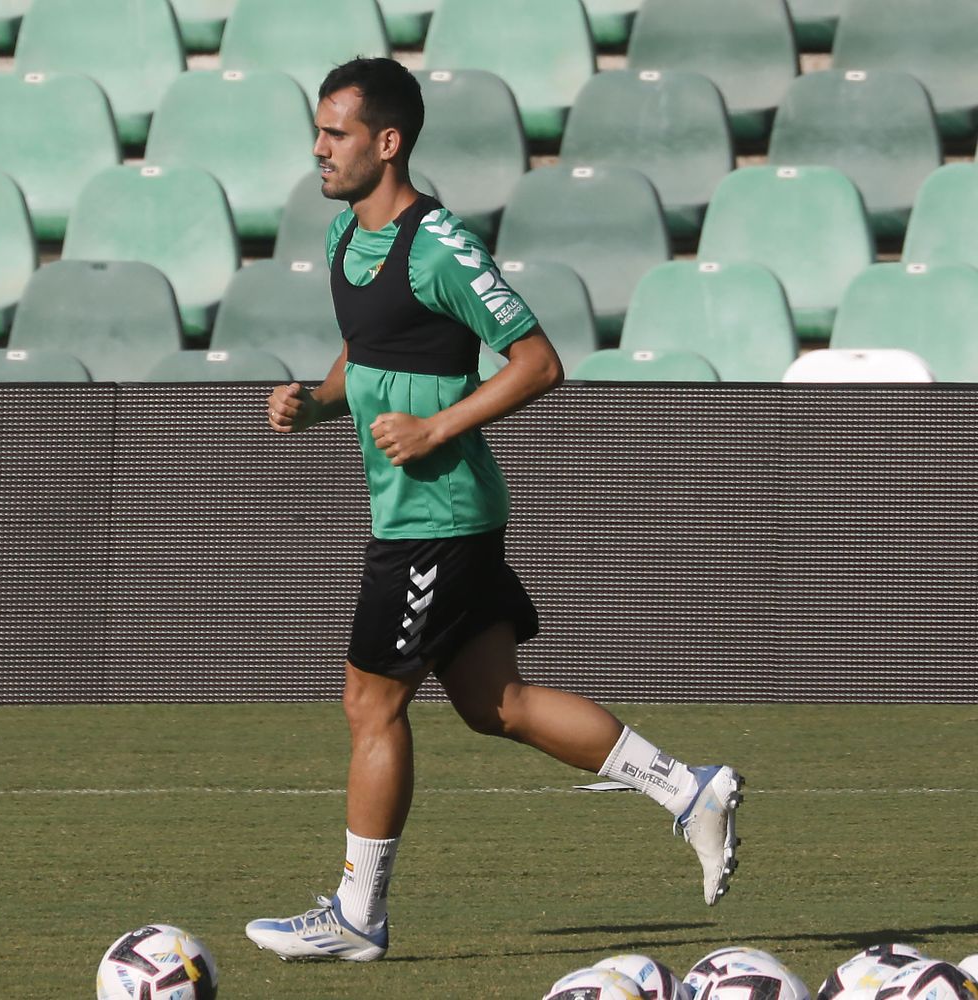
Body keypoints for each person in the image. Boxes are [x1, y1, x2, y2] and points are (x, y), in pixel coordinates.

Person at [243, 57, 744, 963]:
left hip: (439, 517)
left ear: (387, 143)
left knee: (369, 704)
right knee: (495, 702)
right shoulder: (341, 241)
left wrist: (436, 428)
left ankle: (358, 916)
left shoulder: (441, 247)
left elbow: (539, 362)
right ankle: (686, 788)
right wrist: (314, 405)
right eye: (318, 131)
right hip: (418, 514)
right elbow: (365, 353)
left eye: (337, 133)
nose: (318, 149)